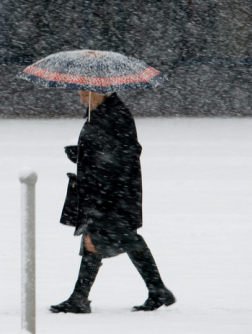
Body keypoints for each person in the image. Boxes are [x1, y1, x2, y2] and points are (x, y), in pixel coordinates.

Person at [50, 90, 175, 314]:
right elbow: (103, 149)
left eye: (84, 91)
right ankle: (156, 289)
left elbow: (128, 152)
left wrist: (95, 160)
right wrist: (81, 154)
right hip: (106, 189)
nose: (80, 96)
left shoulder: (115, 114)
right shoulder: (97, 112)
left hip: (113, 191)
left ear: (98, 91)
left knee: (95, 239)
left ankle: (80, 298)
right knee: (117, 238)